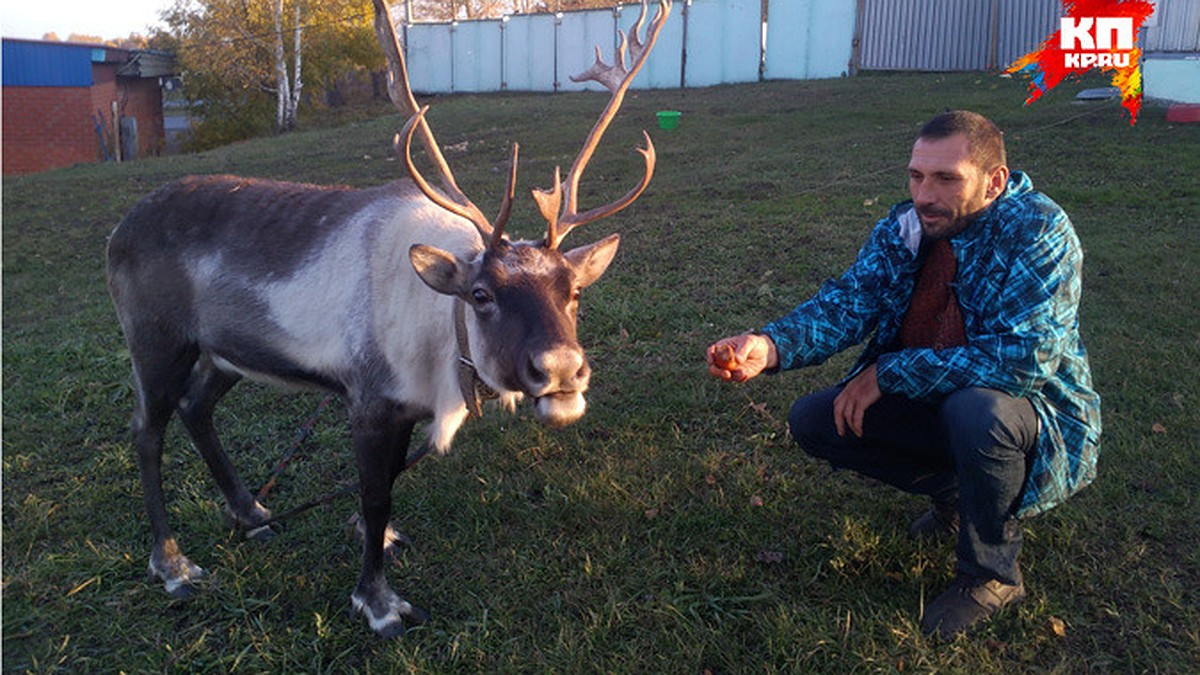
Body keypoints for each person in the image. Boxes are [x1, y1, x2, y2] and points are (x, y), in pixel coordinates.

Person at [706, 110, 1100, 639]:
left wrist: (890, 373)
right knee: (815, 419)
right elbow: (850, 301)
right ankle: (961, 497)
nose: (924, 195)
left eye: (945, 179)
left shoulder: (1037, 230)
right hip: (938, 399)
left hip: (1034, 416)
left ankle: (992, 574)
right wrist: (770, 345)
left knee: (977, 411)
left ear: (994, 181)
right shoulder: (906, 229)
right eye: (916, 176)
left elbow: (1020, 361)